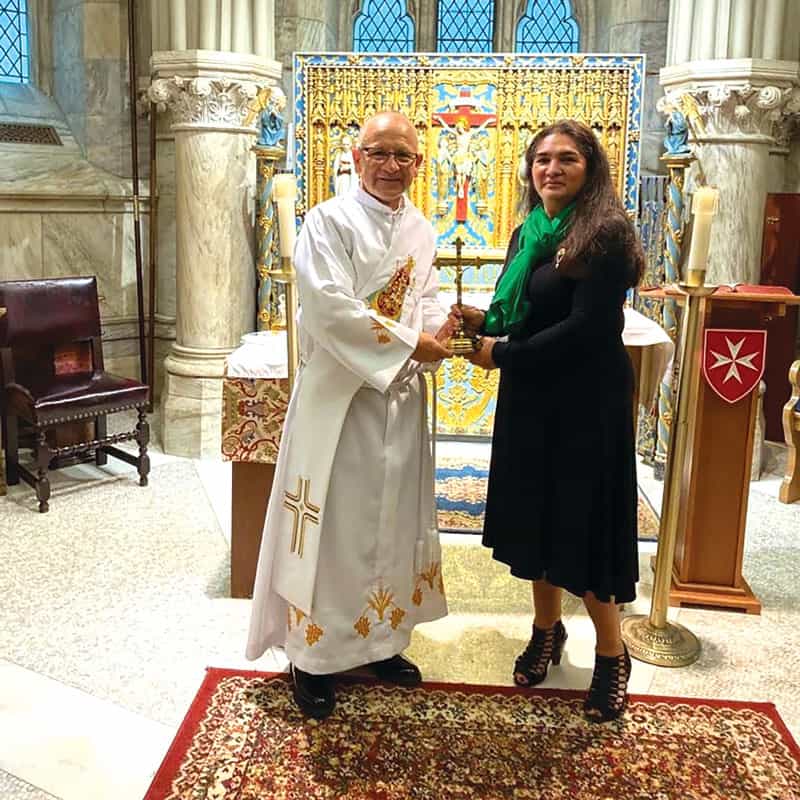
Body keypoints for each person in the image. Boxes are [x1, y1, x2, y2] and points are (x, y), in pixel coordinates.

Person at [246, 110, 454, 719]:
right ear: (357, 156)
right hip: (338, 401)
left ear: (419, 163)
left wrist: (443, 327)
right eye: (380, 153)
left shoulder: (420, 226)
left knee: (389, 522)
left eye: (404, 156)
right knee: (332, 527)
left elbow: (428, 294)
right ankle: (311, 657)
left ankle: (380, 639)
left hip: (399, 396)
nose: (392, 166)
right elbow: (328, 308)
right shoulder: (328, 221)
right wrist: (412, 342)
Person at [451, 119, 644, 722]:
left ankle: (612, 655)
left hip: (586, 399)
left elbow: (586, 328)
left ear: (591, 170)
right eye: (541, 160)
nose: (551, 170)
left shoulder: (605, 232)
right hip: (535, 395)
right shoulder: (527, 234)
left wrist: (500, 354)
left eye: (566, 159)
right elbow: (526, 313)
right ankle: (546, 630)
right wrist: (482, 321)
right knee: (537, 516)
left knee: (582, 524)